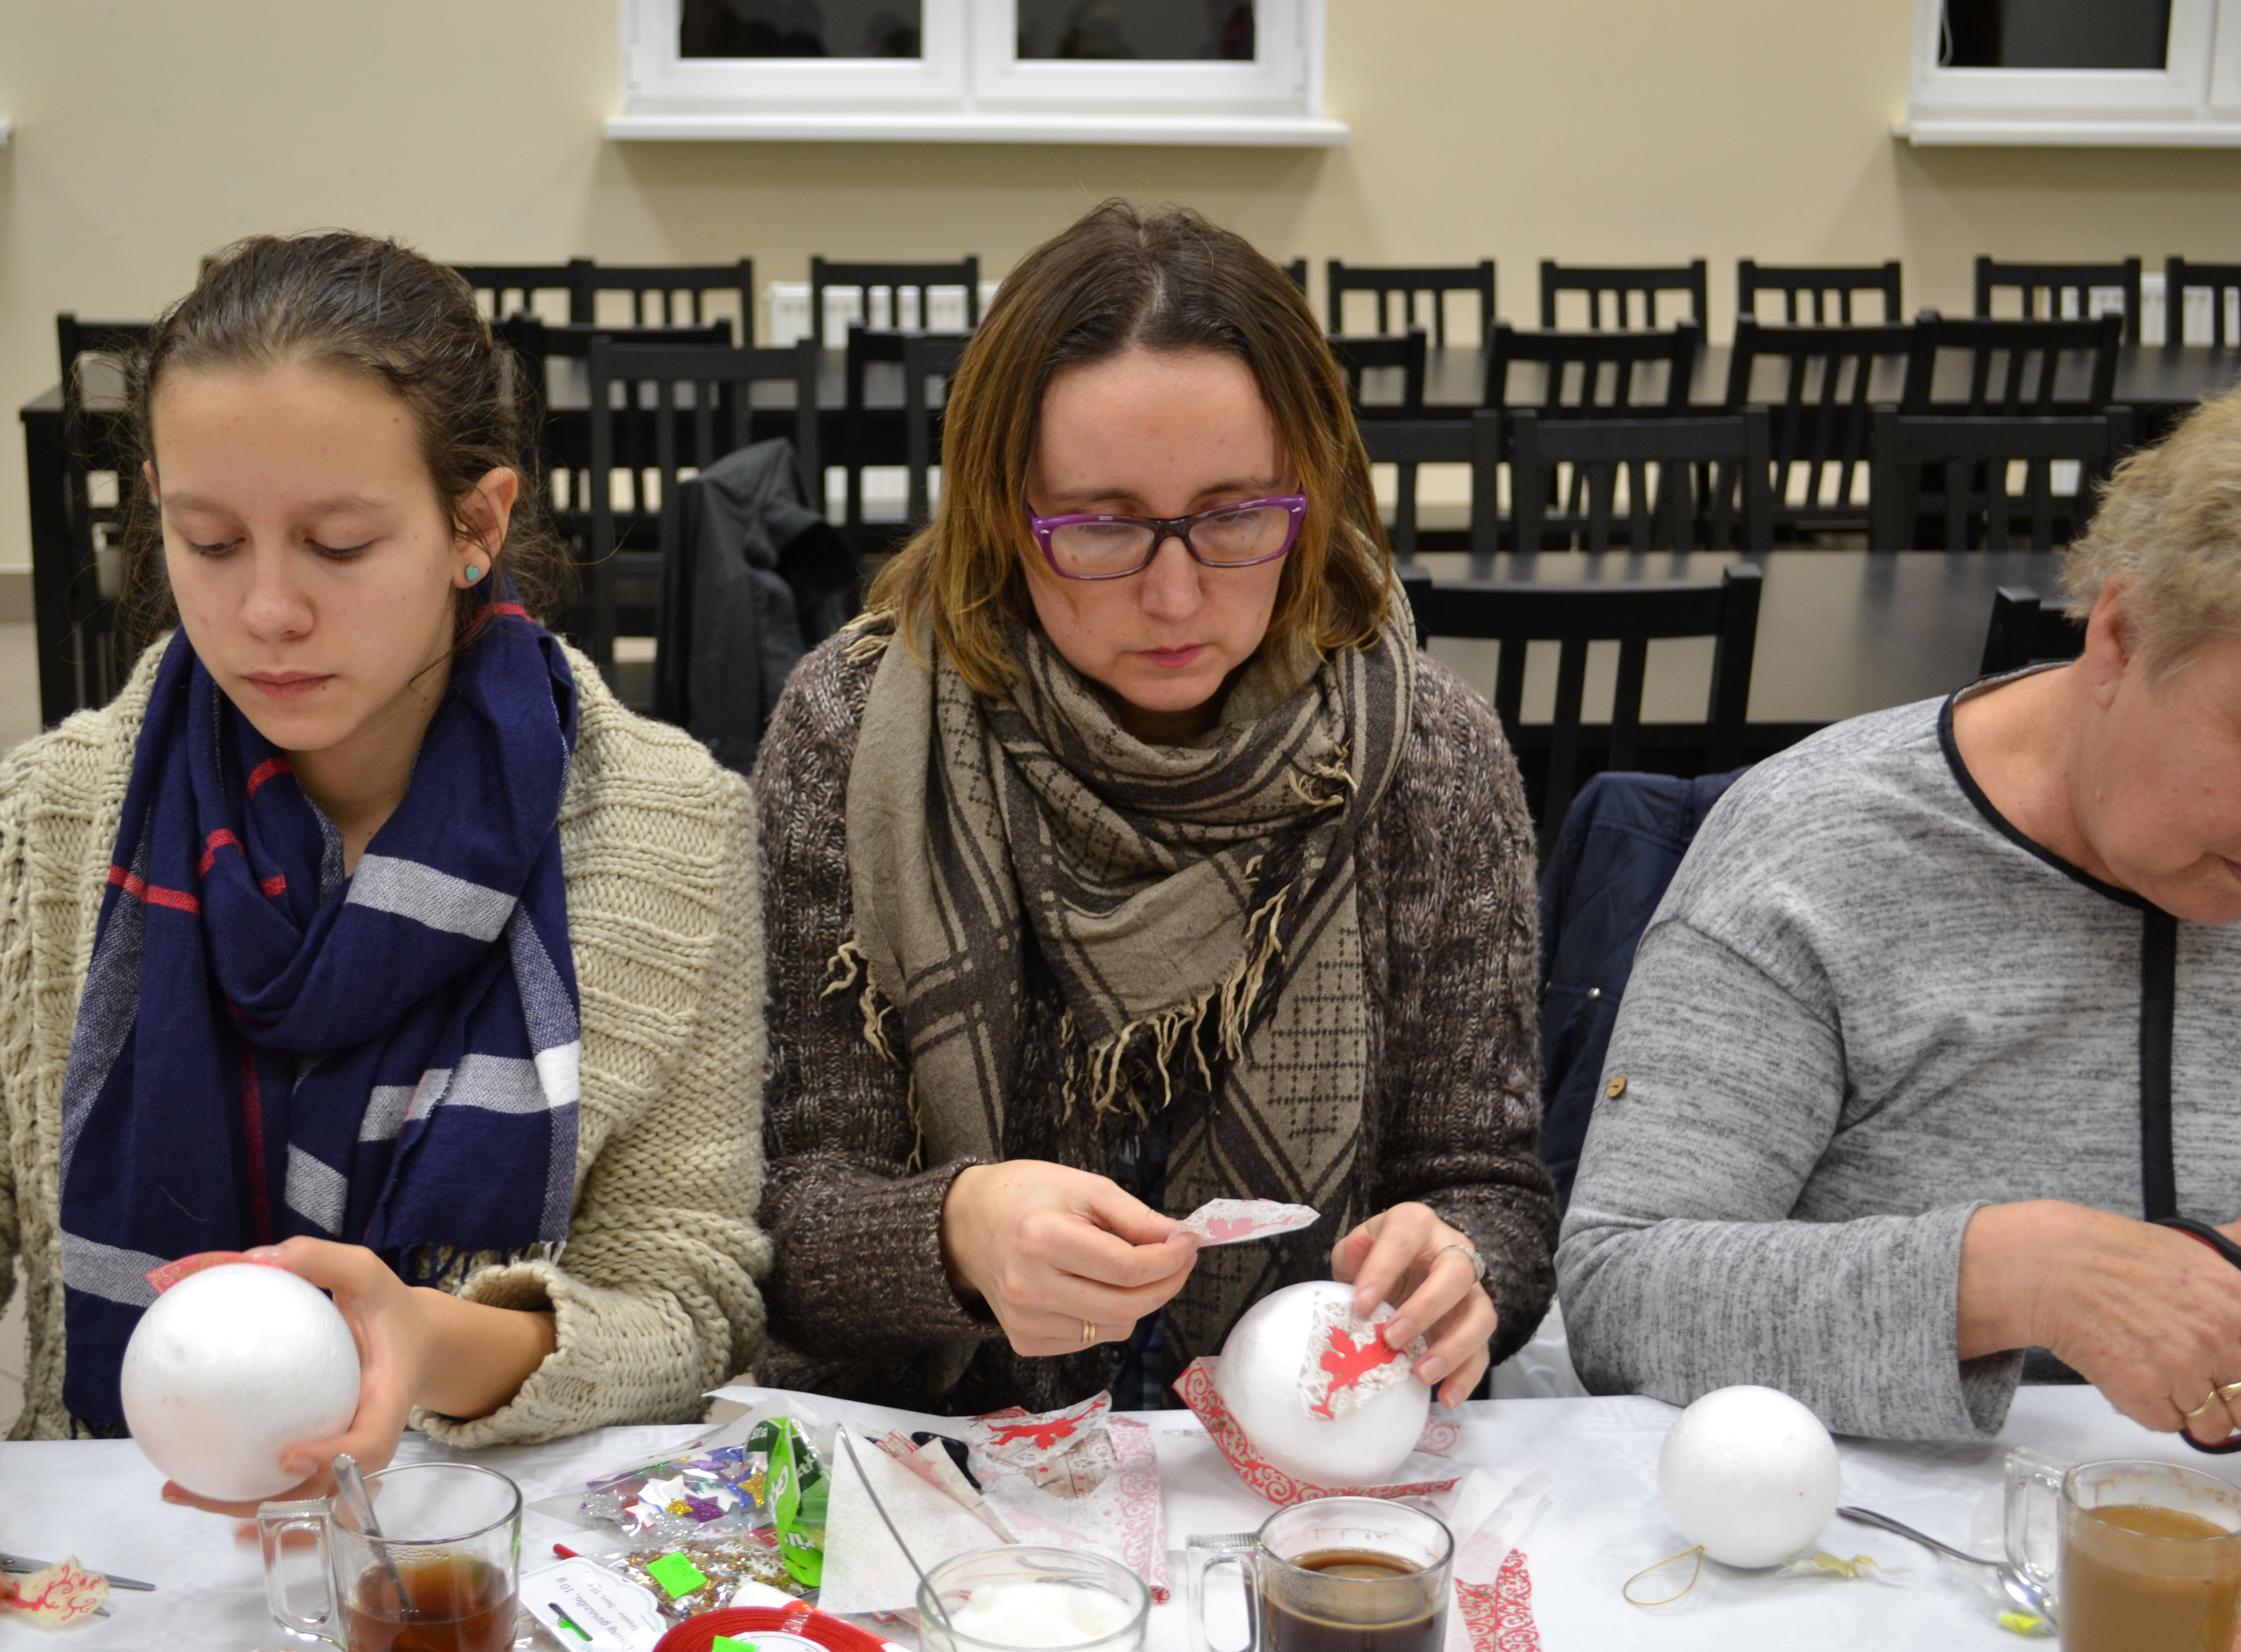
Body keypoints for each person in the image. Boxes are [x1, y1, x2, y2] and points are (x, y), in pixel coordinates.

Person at [0, 234, 769, 1648]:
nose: (267, 612)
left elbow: (691, 1291)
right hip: (130, 1575)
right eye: (210, 544)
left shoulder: (672, 835)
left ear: (477, 521)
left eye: (340, 546)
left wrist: (431, 1342)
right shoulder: (45, 828)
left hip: (476, 1575)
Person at [753, 202, 1557, 1419]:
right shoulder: (858, 738)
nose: (1175, 597)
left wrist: (1463, 1266)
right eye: (1101, 527)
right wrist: (953, 1233)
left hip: (1308, 1464)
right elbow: (771, 1226)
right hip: (958, 1463)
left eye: (1235, 518)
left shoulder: (1431, 757)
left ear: (1310, 489)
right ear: (1000, 512)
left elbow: (1491, 1189)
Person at [1558, 386, 2241, 1443]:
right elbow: (1623, 1298)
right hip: (1880, 1524)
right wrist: (2009, 1278)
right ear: (2120, 635)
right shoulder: (1819, 855)